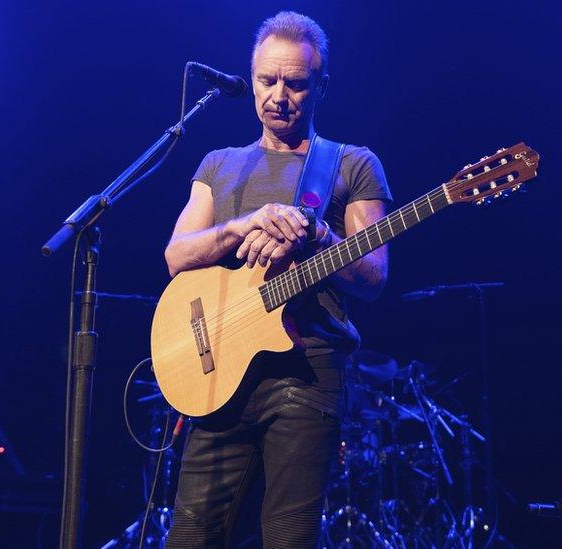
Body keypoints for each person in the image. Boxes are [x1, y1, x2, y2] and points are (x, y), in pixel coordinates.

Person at [162, 11, 392, 547]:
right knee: (189, 535)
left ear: (321, 86)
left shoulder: (351, 164)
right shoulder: (220, 163)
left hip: (307, 372)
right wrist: (242, 225)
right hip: (219, 371)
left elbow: (374, 276)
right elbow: (177, 256)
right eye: (267, 80)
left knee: (288, 534)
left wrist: (319, 238)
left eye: (296, 83)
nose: (279, 95)